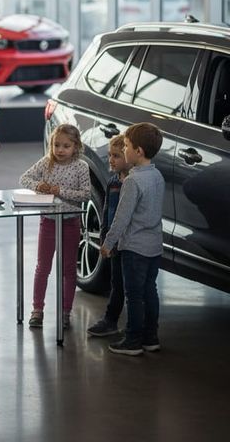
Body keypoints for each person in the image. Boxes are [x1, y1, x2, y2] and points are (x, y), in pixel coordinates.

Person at [100, 122, 165, 356]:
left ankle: (133, 340)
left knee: (134, 296)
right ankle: (151, 337)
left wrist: (108, 244)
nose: (124, 150)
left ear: (138, 151)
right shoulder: (157, 176)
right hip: (154, 247)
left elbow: (121, 218)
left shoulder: (132, 181)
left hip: (134, 249)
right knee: (150, 291)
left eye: (126, 146)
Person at [21, 123, 90, 330]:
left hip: (70, 222)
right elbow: (24, 178)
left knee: (69, 268)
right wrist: (38, 186)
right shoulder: (46, 163)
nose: (60, 150)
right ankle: (37, 309)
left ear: (75, 146)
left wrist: (60, 191)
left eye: (66, 146)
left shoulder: (81, 167)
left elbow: (85, 194)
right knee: (43, 267)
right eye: (56, 145)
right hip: (48, 222)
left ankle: (65, 311)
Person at [87, 134, 130, 337]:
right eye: (110, 155)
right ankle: (110, 320)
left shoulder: (133, 184)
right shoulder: (113, 182)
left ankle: (138, 328)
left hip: (130, 244)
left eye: (116, 156)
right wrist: (105, 238)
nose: (110, 160)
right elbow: (106, 212)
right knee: (117, 284)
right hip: (114, 244)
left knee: (132, 287)